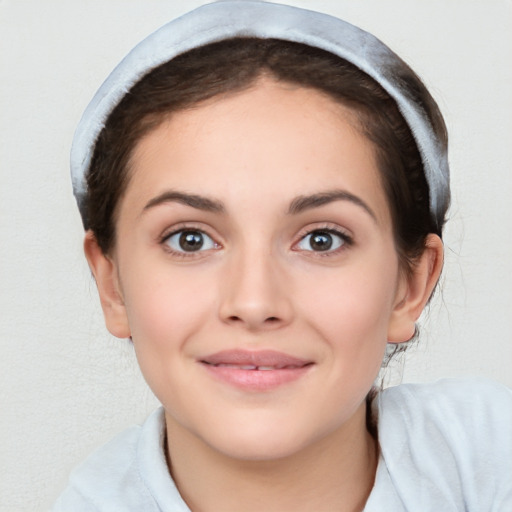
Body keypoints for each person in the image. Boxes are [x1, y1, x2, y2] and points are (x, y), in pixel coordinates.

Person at [52, 1, 512, 510]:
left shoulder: (490, 455)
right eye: (190, 239)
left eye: (322, 239)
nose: (253, 302)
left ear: (411, 286)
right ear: (111, 284)